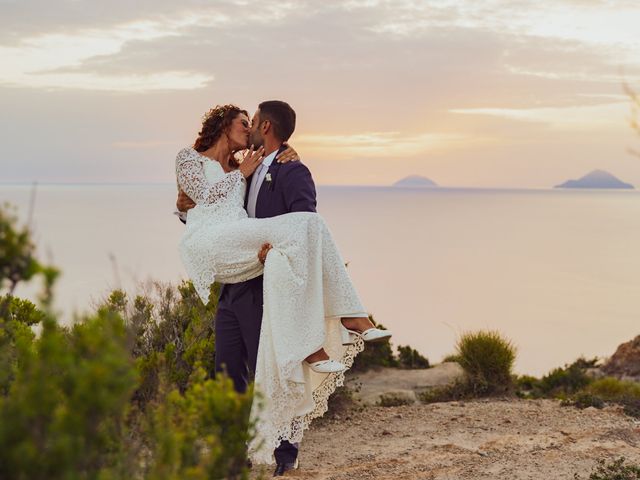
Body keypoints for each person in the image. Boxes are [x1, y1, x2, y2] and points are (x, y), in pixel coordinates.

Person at [175, 101, 391, 470]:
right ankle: (232, 455)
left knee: (278, 367)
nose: (249, 128)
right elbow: (197, 208)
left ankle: (284, 455)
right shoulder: (219, 165)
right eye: (243, 123)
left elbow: (295, 218)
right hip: (232, 281)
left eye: (253, 122)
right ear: (225, 126)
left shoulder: (285, 169)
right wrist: (191, 202)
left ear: (267, 126)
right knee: (228, 376)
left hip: (268, 284)